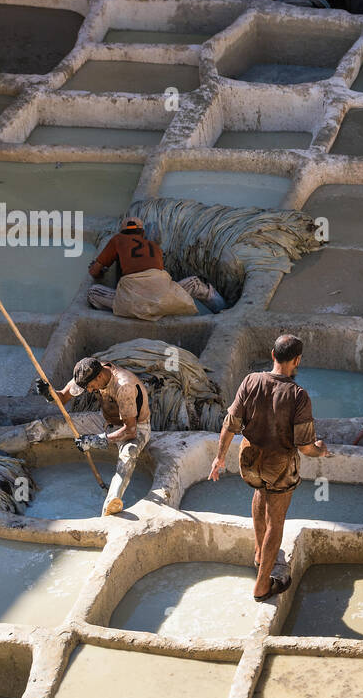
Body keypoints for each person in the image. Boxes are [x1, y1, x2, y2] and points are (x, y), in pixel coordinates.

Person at [208, 334, 330, 600]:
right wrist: (321, 450)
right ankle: (263, 585)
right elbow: (305, 447)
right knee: (276, 520)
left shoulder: (251, 381)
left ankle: (260, 554)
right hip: (279, 465)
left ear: (272, 355)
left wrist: (219, 457)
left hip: (249, 460)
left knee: (259, 493)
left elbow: (231, 424)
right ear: (297, 360)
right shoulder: (298, 396)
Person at [33, 356, 150, 517]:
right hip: (104, 420)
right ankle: (8, 439)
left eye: (91, 387)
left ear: (100, 376)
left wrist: (98, 440)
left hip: (136, 427)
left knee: (127, 456)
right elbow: (63, 397)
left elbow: (130, 430)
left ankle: (112, 501)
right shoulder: (87, 372)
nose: (88, 390)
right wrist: (50, 394)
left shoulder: (124, 385)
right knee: (53, 424)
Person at [87, 216, 225, 320]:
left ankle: (122, 317)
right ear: (142, 233)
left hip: (132, 304)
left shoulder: (117, 239)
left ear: (122, 232)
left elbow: (94, 271)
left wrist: (100, 273)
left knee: (93, 293)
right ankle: (224, 312)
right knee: (196, 283)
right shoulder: (155, 247)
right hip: (164, 300)